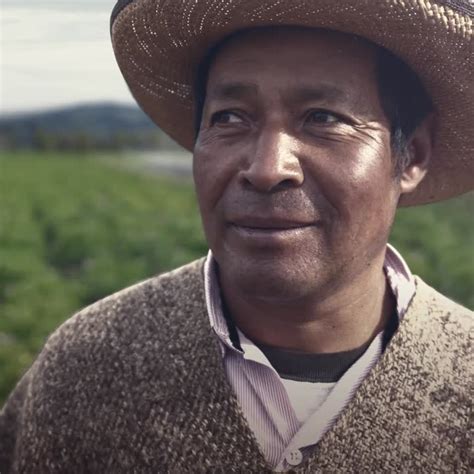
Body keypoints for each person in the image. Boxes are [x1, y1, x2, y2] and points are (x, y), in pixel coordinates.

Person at [1, 0, 472, 472]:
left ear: (413, 155)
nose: (267, 168)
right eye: (229, 117)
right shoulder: (86, 367)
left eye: (323, 118)